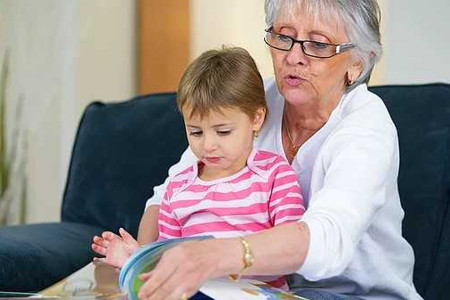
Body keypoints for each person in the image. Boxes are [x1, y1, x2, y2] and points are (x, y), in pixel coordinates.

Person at [136, 1, 424, 300]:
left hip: (355, 294)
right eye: (284, 38)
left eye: (317, 44)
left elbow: (330, 240)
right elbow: (168, 195)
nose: (293, 57)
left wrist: (215, 254)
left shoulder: (366, 123)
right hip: (260, 291)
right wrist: (145, 265)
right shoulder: (253, 102)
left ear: (357, 63)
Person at [91, 47, 306, 289]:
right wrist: (138, 257)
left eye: (223, 131)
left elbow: (290, 253)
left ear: (256, 119)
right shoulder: (179, 188)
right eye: (195, 132)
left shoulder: (276, 176)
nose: (208, 145)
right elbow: (169, 258)